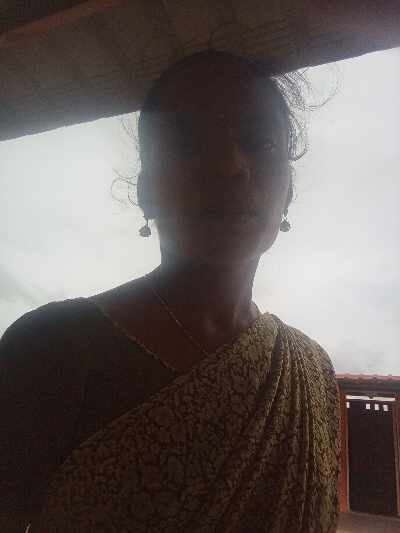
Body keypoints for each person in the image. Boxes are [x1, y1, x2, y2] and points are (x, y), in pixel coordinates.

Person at [0, 50, 340, 533]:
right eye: (188, 142)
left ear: (288, 192)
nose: (228, 165)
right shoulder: (51, 350)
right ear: (146, 193)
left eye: (260, 141)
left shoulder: (313, 373)